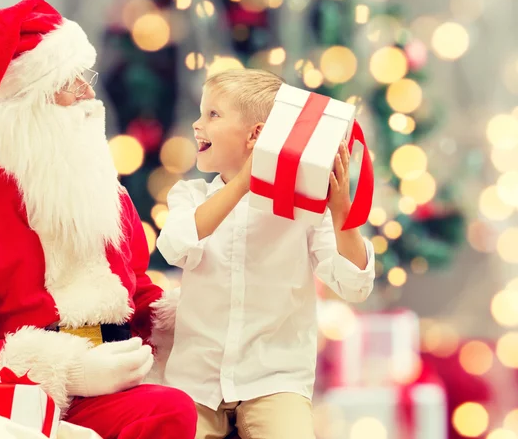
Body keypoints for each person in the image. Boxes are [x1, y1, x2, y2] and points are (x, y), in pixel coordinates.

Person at [0, 0, 196, 439]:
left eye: (86, 78)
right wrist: (71, 371)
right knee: (169, 412)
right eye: (69, 83)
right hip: (19, 404)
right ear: (26, 103)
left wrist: (191, 313)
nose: (89, 95)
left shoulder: (98, 186)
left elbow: (133, 290)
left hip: (121, 384)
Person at [156, 68, 376, 439]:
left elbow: (355, 285)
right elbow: (174, 246)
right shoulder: (190, 196)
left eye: (213, 114)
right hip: (196, 381)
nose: (197, 125)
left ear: (256, 135)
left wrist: (341, 213)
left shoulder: (305, 210)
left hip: (275, 379)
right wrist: (244, 183)